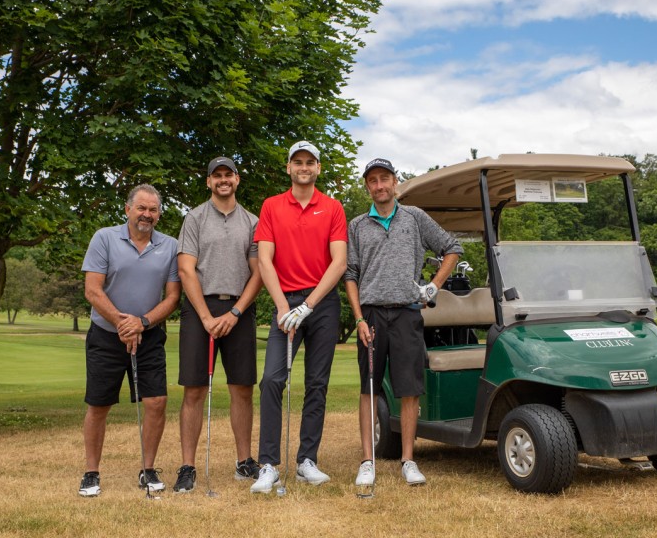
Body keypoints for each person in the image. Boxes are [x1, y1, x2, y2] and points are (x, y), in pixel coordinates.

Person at [344, 158, 462, 486]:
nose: (379, 186)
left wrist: (434, 285)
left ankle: (408, 460)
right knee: (369, 386)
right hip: (370, 315)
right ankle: (368, 461)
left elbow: (452, 248)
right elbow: (350, 274)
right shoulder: (356, 225)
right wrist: (357, 319)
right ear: (367, 187)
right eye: (373, 181)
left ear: (395, 182)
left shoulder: (415, 217)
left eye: (385, 179)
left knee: (409, 390)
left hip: (407, 312)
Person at [249, 140, 348, 494]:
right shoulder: (272, 206)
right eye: (298, 162)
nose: (304, 167)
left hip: (322, 305)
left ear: (318, 168)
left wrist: (309, 305)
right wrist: (282, 307)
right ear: (289, 168)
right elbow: (265, 260)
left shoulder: (333, 208)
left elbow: (338, 262)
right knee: (272, 380)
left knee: (316, 384)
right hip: (284, 301)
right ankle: (268, 465)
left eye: (310, 162)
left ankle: (307, 461)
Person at [79, 184, 181, 497]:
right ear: (127, 210)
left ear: (159, 215)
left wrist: (143, 322)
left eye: (153, 210)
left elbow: (173, 296)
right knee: (98, 405)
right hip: (107, 336)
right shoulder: (104, 237)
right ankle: (91, 472)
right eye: (141, 208)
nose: (147, 215)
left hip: (149, 336)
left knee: (156, 403)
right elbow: (92, 290)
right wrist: (123, 323)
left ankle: (148, 469)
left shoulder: (171, 246)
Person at [172, 157, 264, 492]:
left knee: (242, 387)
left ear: (237, 179)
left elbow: (258, 273)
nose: (223, 180)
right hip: (201, 309)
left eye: (229, 175)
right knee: (194, 389)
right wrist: (207, 317)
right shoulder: (194, 218)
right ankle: (188, 466)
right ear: (209, 181)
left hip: (240, 309)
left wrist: (236, 312)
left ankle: (243, 461)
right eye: (217, 176)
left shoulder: (253, 222)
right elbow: (186, 270)